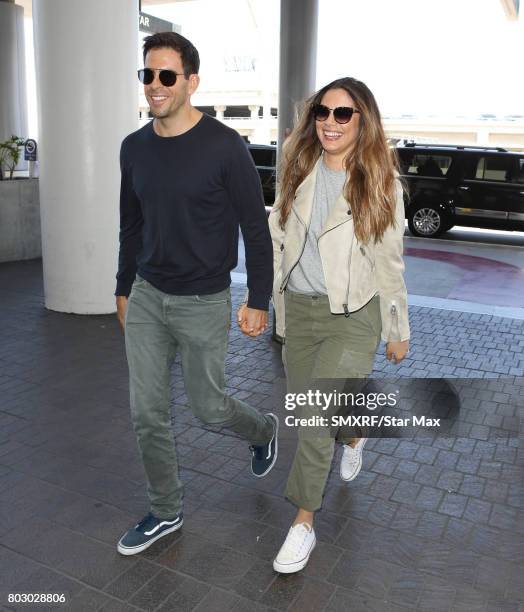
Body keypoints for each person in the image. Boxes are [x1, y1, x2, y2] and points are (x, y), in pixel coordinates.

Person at [115, 31, 278, 556]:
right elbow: (131, 225)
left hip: (204, 301)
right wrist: (122, 288)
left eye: (166, 76)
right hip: (146, 297)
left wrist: (258, 298)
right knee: (147, 412)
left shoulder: (225, 147)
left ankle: (260, 430)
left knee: (209, 409)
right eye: (148, 75)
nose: (155, 86)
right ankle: (166, 510)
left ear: (192, 82)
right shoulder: (134, 147)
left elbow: (256, 227)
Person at [244, 77, 410, 573]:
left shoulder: (379, 183)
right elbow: (277, 243)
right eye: (323, 112)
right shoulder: (298, 170)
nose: (330, 123)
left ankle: (302, 524)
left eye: (343, 114)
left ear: (364, 121)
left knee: (313, 421)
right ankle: (355, 435)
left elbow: (390, 260)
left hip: (354, 315)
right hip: (302, 312)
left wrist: (396, 326)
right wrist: (263, 300)